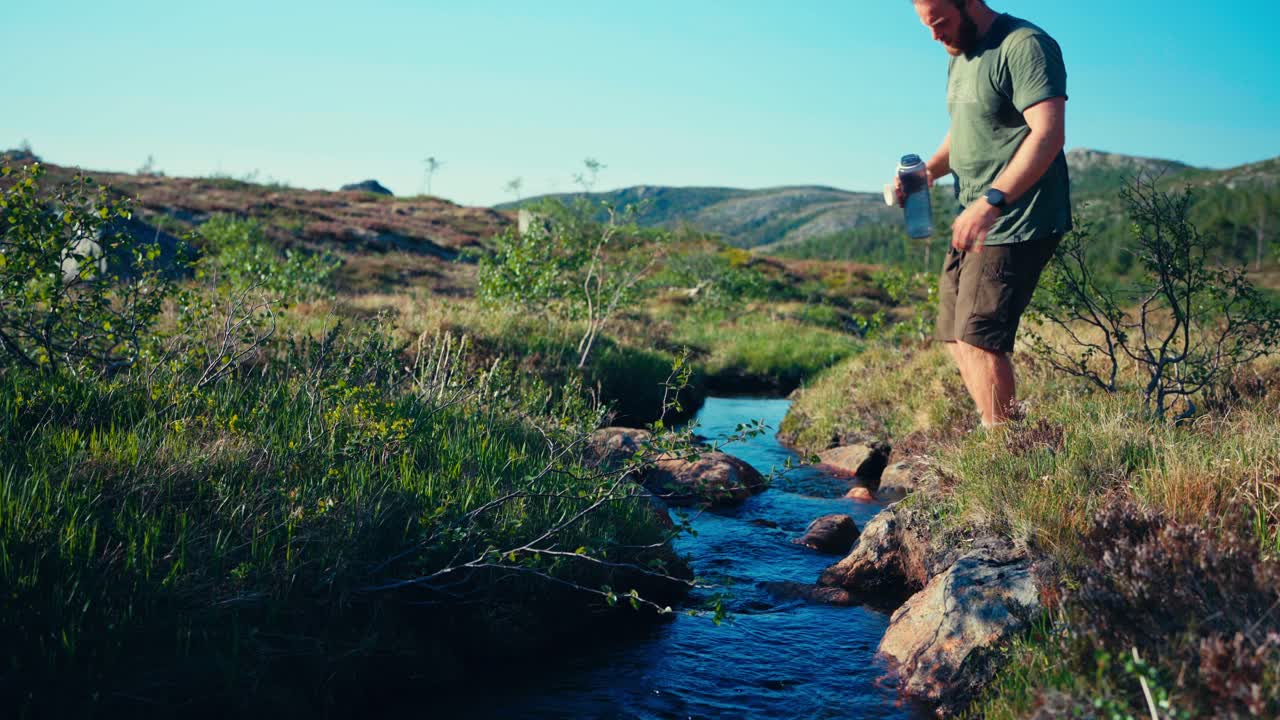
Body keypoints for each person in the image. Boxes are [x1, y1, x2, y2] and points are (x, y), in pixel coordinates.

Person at [895, 0, 1072, 429]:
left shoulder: (1024, 45)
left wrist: (992, 201)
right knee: (954, 334)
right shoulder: (959, 53)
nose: (936, 36)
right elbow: (966, 128)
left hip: (1014, 215)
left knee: (980, 337)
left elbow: (1048, 134)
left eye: (941, 23)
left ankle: (1005, 450)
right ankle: (998, 429)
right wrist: (926, 174)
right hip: (973, 214)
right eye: (928, 27)